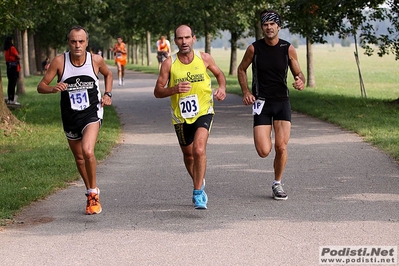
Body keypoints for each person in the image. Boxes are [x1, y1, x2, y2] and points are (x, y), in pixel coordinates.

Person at [37, 25, 113, 215]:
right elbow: (41, 86)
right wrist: (53, 88)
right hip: (70, 115)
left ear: (87, 42)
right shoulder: (59, 62)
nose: (77, 45)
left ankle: (94, 193)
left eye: (81, 41)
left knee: (88, 151)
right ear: (68, 42)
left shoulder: (95, 60)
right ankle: (89, 192)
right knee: (79, 158)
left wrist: (108, 94)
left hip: (92, 113)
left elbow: (108, 74)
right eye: (73, 41)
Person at [154, 25, 227, 209]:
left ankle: (198, 193)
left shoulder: (204, 58)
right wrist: (174, 89)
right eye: (180, 38)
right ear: (175, 41)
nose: (184, 42)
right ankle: (199, 180)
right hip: (181, 116)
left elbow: (219, 75)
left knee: (199, 150)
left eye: (187, 37)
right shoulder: (169, 63)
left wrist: (222, 89)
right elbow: (157, 91)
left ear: (194, 38)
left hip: (204, 110)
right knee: (188, 155)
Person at [237, 10, 305, 201]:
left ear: (278, 27)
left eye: (272, 24)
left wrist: (300, 81)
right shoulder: (254, 49)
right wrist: (246, 92)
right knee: (263, 151)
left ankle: (277, 183)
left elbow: (299, 73)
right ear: (262, 27)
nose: (269, 27)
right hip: (262, 103)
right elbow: (241, 69)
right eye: (265, 24)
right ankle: (275, 177)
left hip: (282, 101)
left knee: (281, 147)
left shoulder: (287, 48)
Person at [3, 36, 21, 105]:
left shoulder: (6, 49)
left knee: (10, 84)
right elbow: (17, 56)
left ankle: (9, 99)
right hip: (14, 68)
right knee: (13, 84)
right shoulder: (12, 48)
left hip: (9, 67)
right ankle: (12, 99)